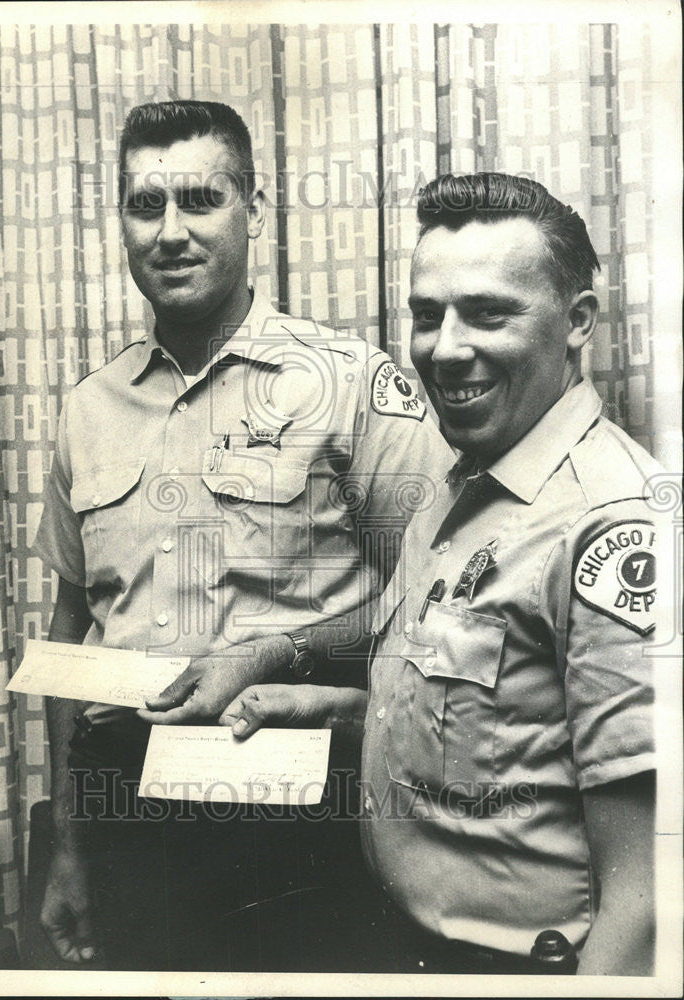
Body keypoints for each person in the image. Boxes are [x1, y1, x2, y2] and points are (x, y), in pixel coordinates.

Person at [30, 100, 453, 971]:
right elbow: (70, 636)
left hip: (298, 809)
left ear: (254, 211)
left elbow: (435, 600)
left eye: (200, 200)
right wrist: (70, 846)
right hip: (128, 817)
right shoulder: (86, 410)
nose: (170, 232)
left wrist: (279, 651)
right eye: (145, 206)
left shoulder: (348, 383)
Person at [221, 172, 660, 976]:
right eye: (427, 316)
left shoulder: (612, 525)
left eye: (488, 313)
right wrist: (327, 705)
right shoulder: (462, 485)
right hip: (401, 948)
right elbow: (503, 731)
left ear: (577, 322)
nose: (444, 348)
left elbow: (651, 895)